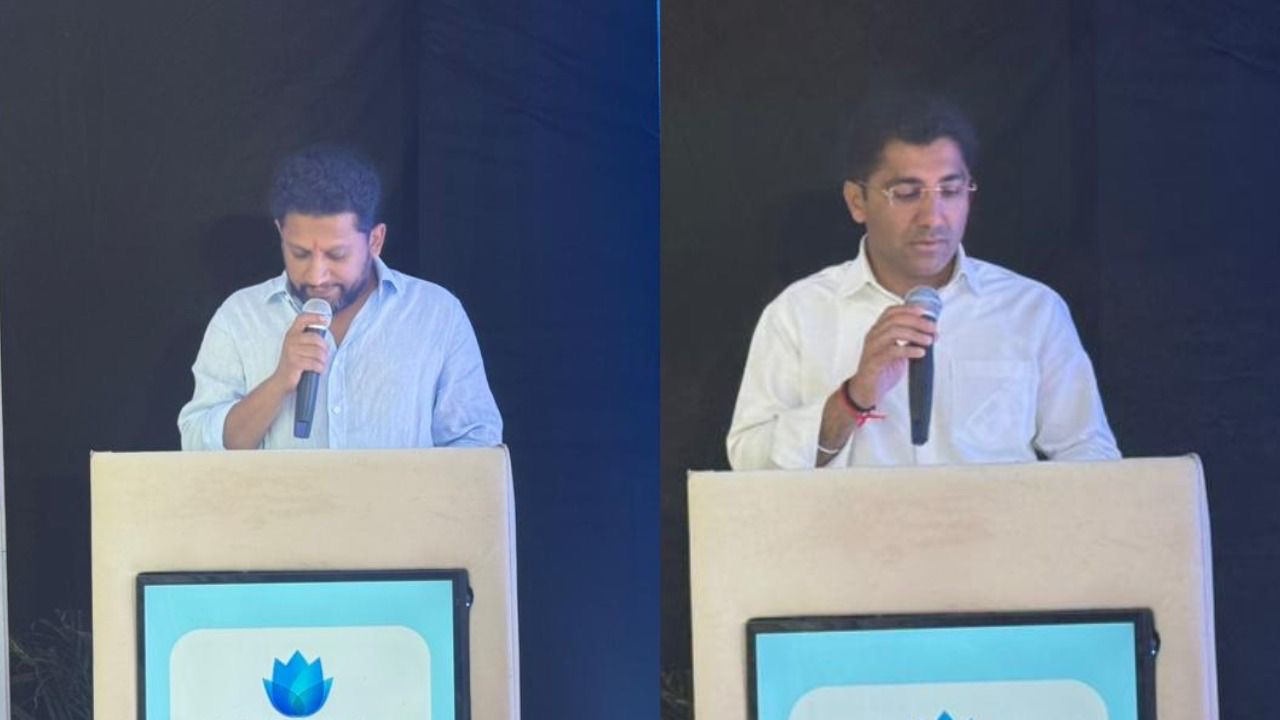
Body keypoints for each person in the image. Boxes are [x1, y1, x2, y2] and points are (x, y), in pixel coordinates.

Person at [727, 93, 1119, 470]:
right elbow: (748, 463)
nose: (933, 217)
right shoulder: (799, 313)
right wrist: (851, 398)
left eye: (950, 191)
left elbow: (1089, 453)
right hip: (853, 520)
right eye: (907, 193)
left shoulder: (1031, 310)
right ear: (857, 201)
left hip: (994, 519)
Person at [179, 144, 502, 450]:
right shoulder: (240, 317)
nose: (316, 276)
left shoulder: (436, 314)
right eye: (300, 253)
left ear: (375, 241)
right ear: (280, 234)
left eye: (336, 255)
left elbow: (476, 447)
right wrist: (278, 384)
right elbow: (197, 446)